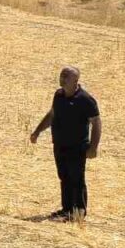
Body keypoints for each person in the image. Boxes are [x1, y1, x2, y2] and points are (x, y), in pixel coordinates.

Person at [29, 66, 101, 221]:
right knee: (64, 177)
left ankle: (79, 213)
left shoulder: (85, 100)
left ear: (75, 80)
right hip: (59, 144)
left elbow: (96, 123)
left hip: (77, 147)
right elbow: (52, 115)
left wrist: (93, 147)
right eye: (61, 75)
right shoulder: (59, 95)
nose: (61, 78)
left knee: (77, 179)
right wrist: (37, 131)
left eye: (66, 76)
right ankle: (67, 210)